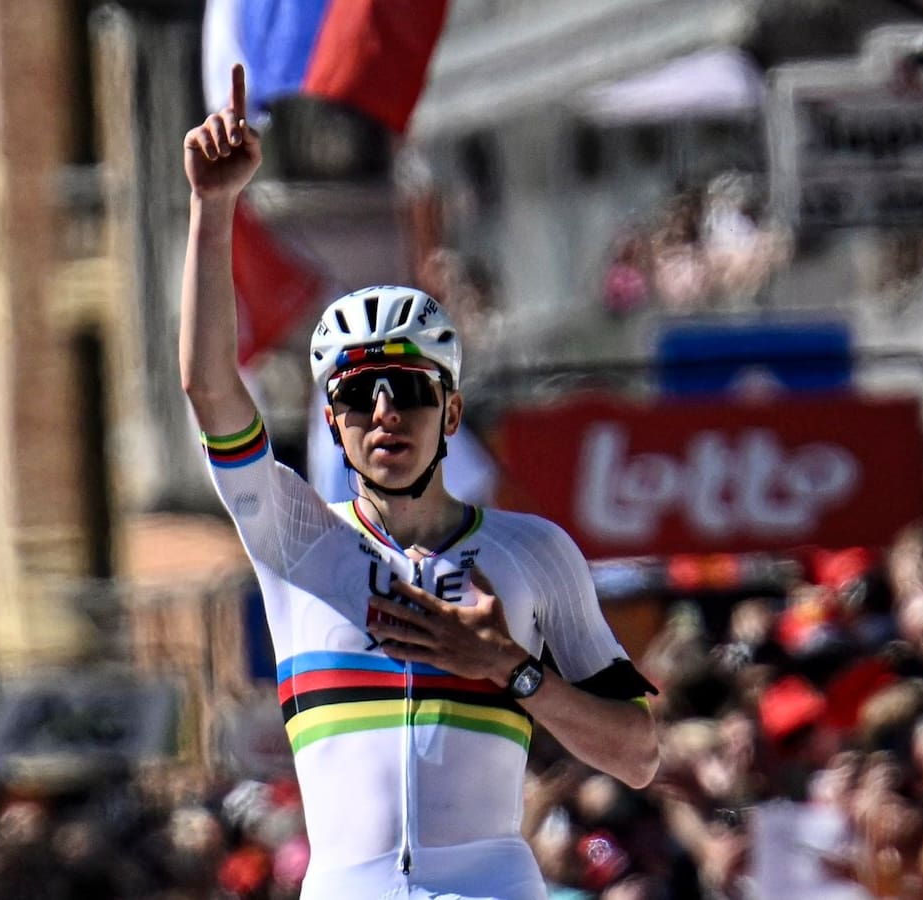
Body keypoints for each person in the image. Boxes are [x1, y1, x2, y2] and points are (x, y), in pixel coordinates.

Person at [180, 64, 659, 900]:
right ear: (331, 422)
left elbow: (638, 753)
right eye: (356, 398)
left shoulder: (533, 552)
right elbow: (210, 388)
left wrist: (509, 665)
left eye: (406, 391)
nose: (383, 415)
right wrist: (212, 208)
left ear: (451, 408)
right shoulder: (298, 538)